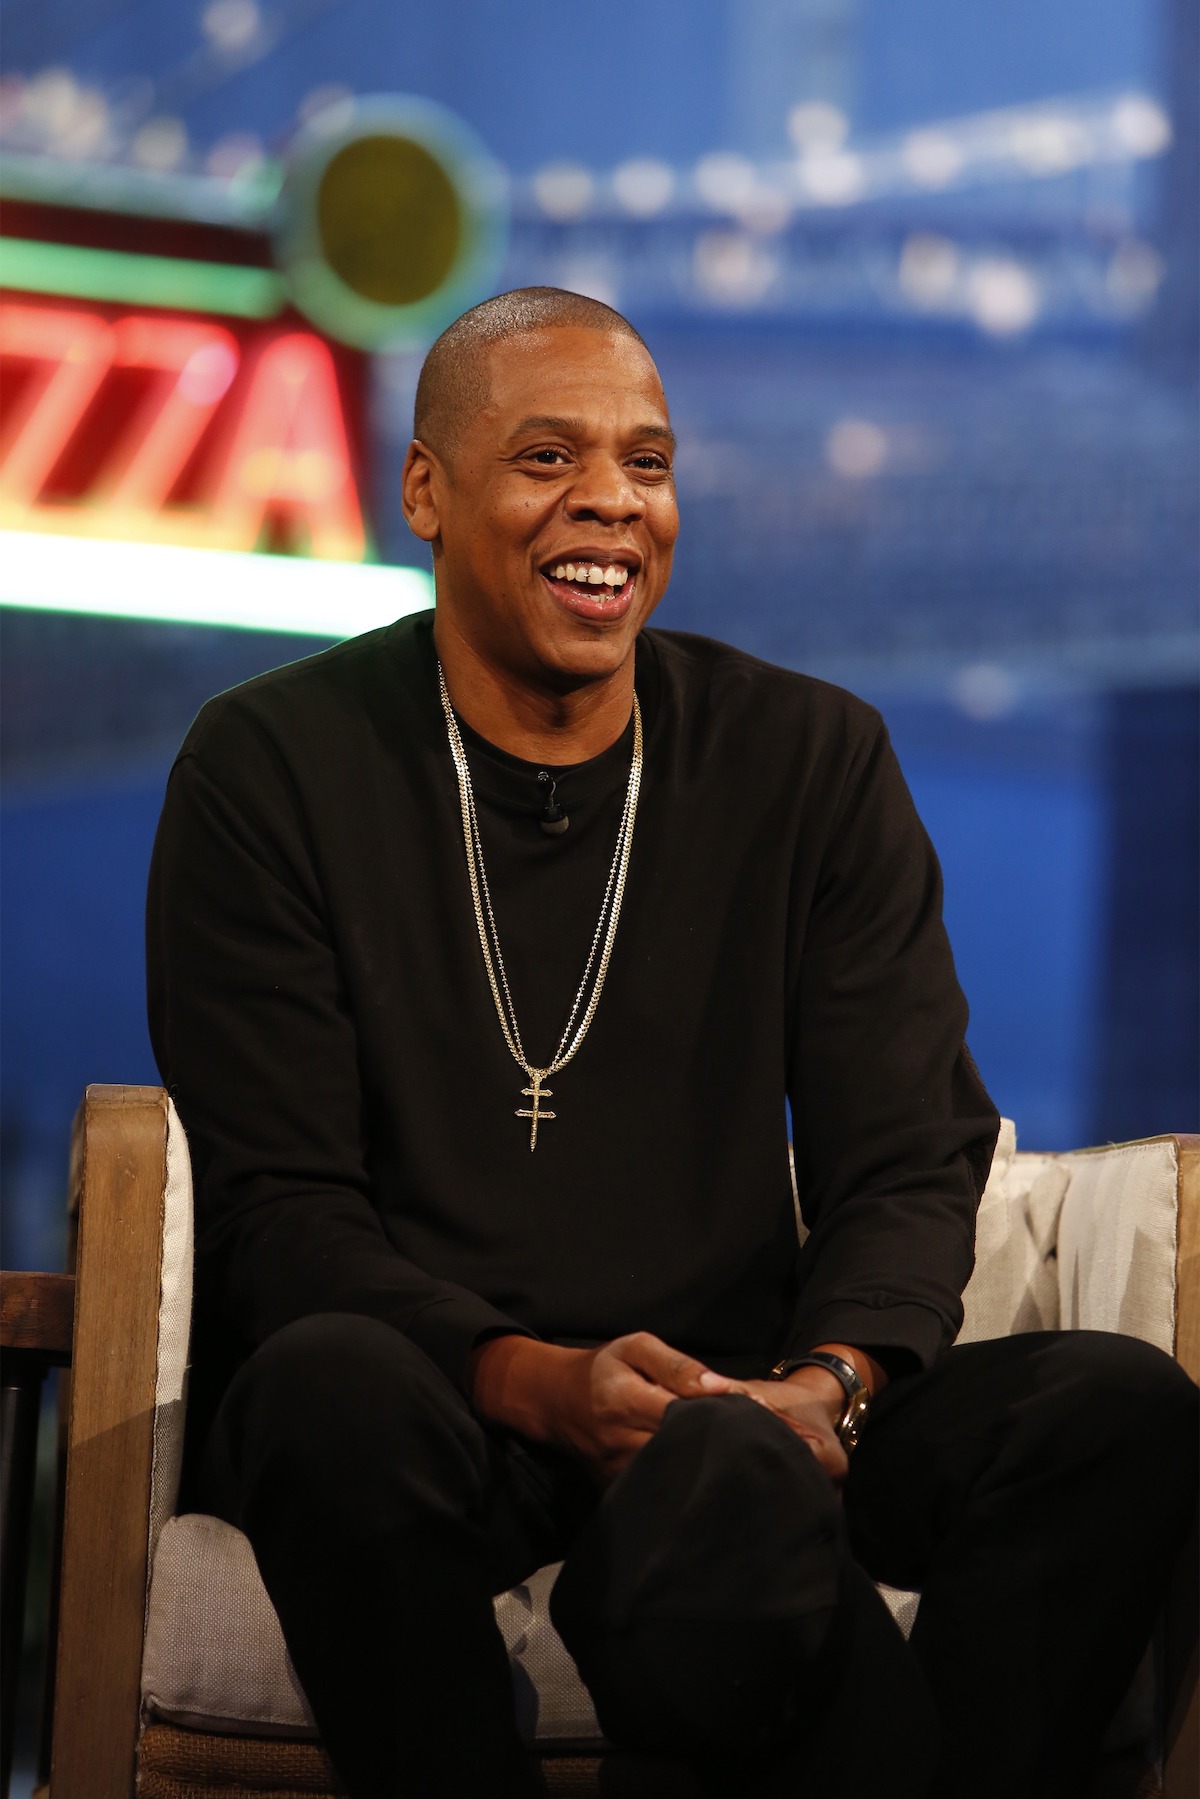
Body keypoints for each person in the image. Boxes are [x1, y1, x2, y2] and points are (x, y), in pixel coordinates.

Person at [147, 287, 1197, 1799]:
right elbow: (281, 1218)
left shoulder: (812, 759)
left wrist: (821, 1390)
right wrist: (537, 1381)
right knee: (321, 1389)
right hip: (444, 1409)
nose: (611, 506)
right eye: (547, 458)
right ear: (427, 491)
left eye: (648, 461)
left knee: (1118, 1413)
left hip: (741, 1408)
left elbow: (908, 1155)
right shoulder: (269, 767)